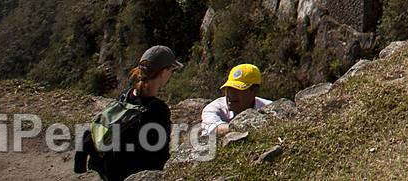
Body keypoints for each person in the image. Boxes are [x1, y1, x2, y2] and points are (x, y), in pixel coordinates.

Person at [77, 44, 179, 179]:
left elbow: (89, 134)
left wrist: (79, 169)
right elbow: (160, 156)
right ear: (164, 72)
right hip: (128, 175)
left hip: (106, 170)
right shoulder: (158, 110)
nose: (171, 73)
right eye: (172, 69)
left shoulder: (127, 96)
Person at [199, 62, 273, 140]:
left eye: (237, 90)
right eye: (228, 89)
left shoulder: (269, 107)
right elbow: (212, 130)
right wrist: (244, 126)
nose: (231, 95)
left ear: (255, 90)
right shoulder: (213, 108)